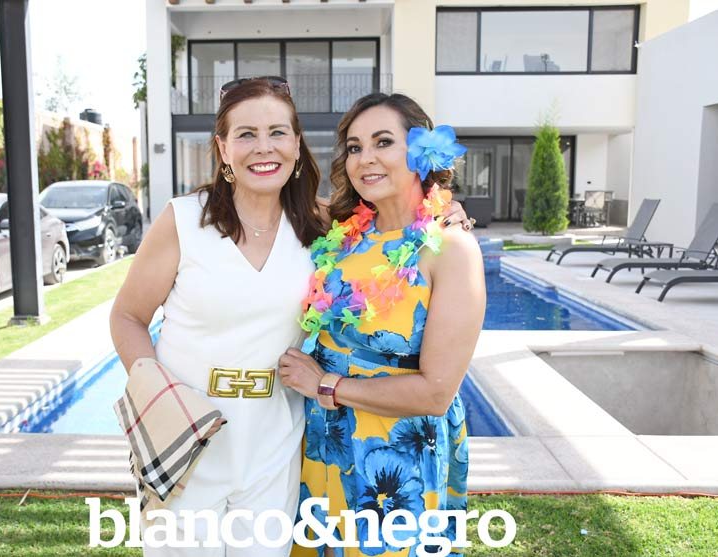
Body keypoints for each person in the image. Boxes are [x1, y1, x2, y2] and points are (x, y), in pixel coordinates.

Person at [109, 79, 472, 557]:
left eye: (277, 132)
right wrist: (158, 400)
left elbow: (403, 223)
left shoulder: (321, 226)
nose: (264, 147)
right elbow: (128, 316)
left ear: (297, 145)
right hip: (189, 439)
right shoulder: (183, 220)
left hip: (275, 443)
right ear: (223, 148)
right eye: (246, 134)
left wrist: (446, 212)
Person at [278, 93, 486, 557]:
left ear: (421, 153)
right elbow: (264, 203)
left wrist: (326, 385)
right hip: (324, 443)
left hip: (395, 459)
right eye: (354, 147)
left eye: (383, 142)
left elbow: (436, 393)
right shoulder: (342, 233)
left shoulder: (451, 249)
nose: (365, 158)